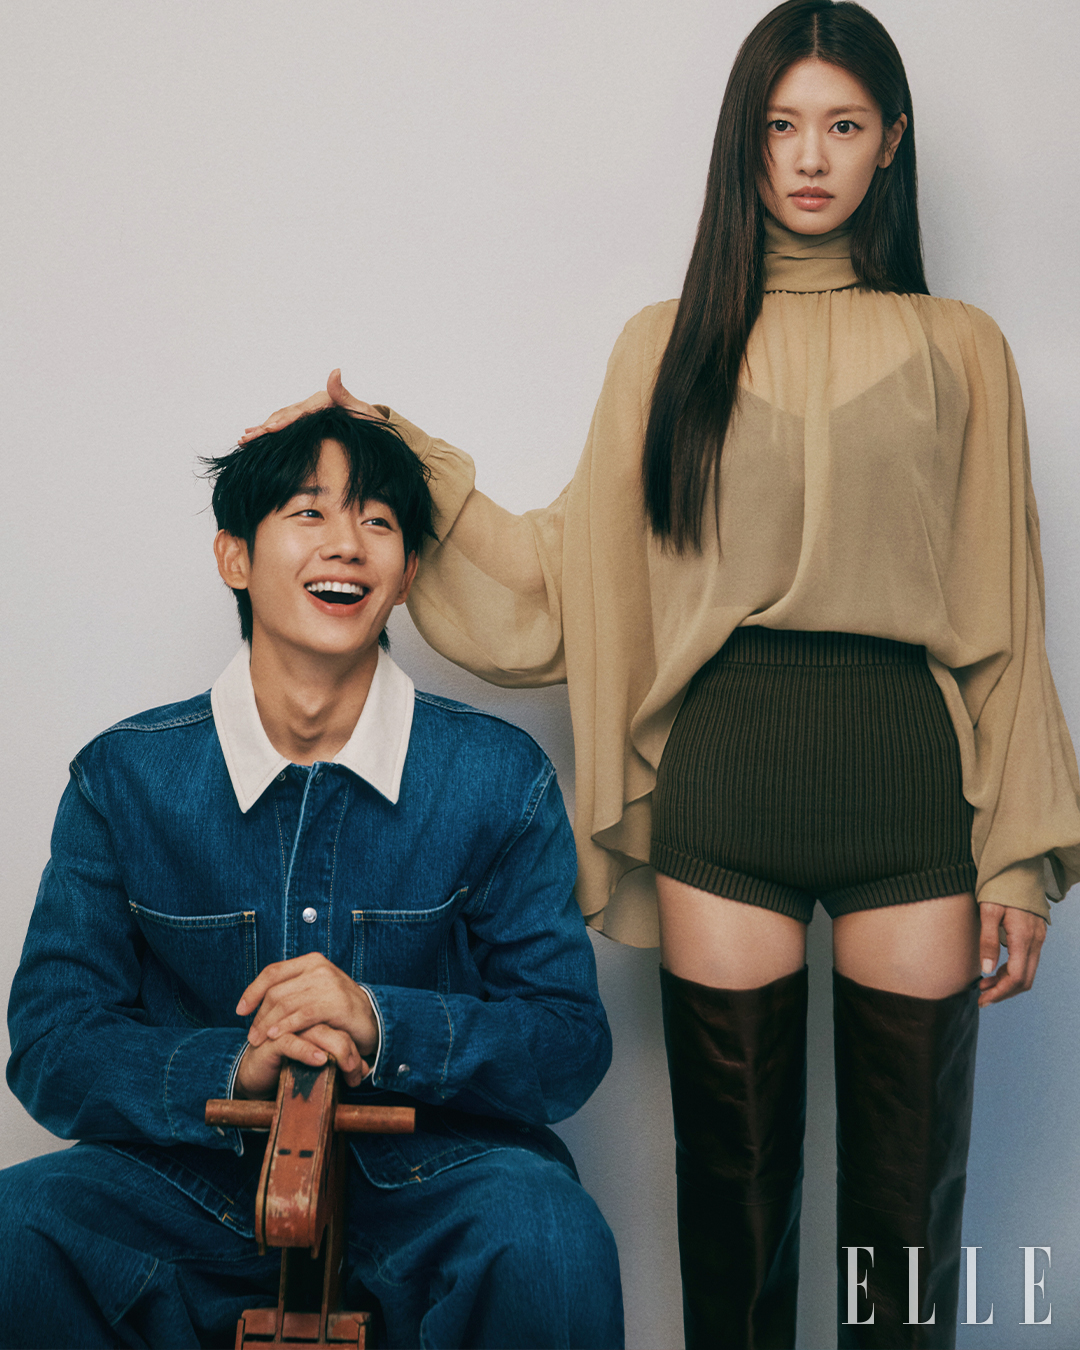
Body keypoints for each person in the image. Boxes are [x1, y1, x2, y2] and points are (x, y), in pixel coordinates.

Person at [241, 3, 1080, 1347]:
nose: (811, 156)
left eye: (844, 125)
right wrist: (386, 446)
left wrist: (1022, 857)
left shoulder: (961, 346)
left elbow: (1008, 604)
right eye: (781, 126)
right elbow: (571, 571)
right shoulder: (665, 342)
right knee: (733, 1204)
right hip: (724, 790)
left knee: (908, 1216)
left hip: (911, 790)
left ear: (891, 142)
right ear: (745, 144)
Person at [2, 407, 624, 1349]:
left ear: (406, 576)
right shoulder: (123, 777)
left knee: (548, 1236)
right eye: (308, 512)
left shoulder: (499, 777)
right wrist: (232, 1067)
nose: (347, 543)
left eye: (378, 520)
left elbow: (568, 1042)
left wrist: (381, 1021)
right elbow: (53, 1042)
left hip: (434, 1176)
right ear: (234, 557)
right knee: (17, 1231)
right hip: (192, 1177)